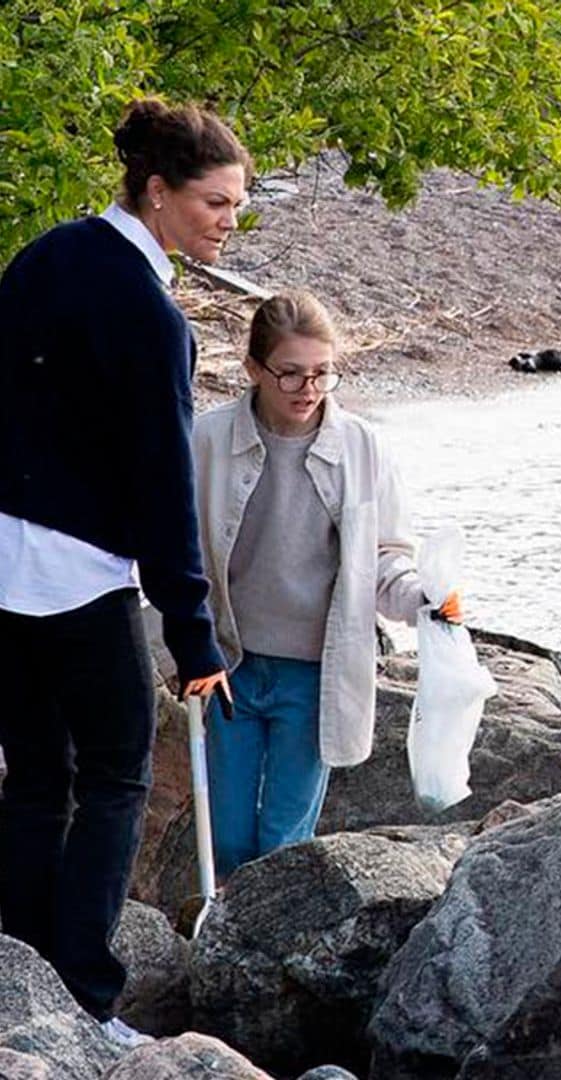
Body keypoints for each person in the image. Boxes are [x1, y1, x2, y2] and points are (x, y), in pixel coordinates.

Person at [0, 98, 249, 1048]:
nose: (229, 221)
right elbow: (159, 489)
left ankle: (19, 970)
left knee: (34, 776)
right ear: (157, 191)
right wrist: (194, 636)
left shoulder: (47, 254)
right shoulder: (150, 314)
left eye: (236, 205)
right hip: (78, 573)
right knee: (115, 776)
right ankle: (91, 1001)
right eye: (216, 202)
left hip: (2, 558)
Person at [191, 289, 462, 878]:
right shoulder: (206, 440)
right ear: (253, 370)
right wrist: (176, 648)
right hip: (227, 667)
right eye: (289, 374)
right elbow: (173, 555)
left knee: (285, 842)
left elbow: (387, 556)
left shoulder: (363, 445)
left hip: (316, 675)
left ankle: (264, 960)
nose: (307, 390)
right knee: (227, 839)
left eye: (321, 374)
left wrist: (424, 598)